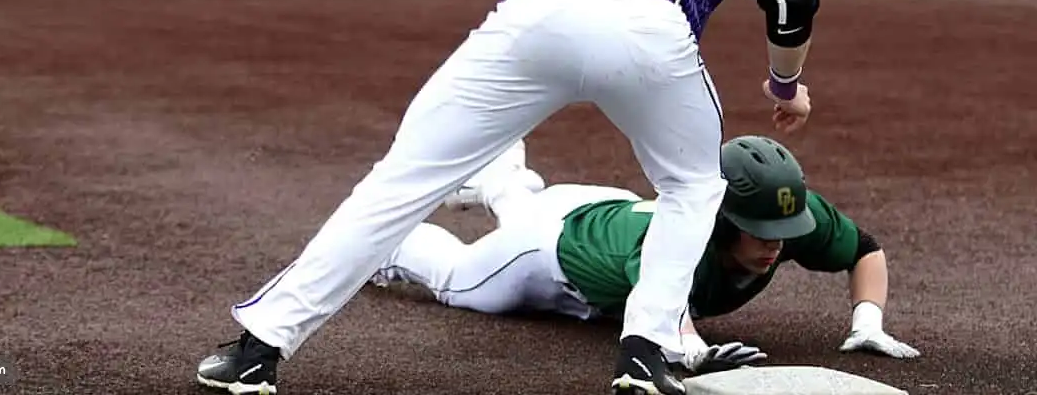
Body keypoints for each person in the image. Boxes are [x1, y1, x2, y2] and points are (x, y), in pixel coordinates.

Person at [195, 0, 822, 392]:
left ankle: (256, 351)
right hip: (649, 31)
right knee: (692, 187)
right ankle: (645, 351)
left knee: (403, 180)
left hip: (539, 14)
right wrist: (784, 83)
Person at [370, 136, 919, 377]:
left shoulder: (789, 213)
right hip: (545, 250)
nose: (776, 243)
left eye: (784, 227)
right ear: (722, 221)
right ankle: (381, 239)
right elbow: (667, 323)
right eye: (760, 232)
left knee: (528, 213)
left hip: (599, 209)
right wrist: (696, 354)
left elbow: (865, 250)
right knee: (457, 280)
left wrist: (867, 324)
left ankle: (501, 180)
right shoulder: (675, 246)